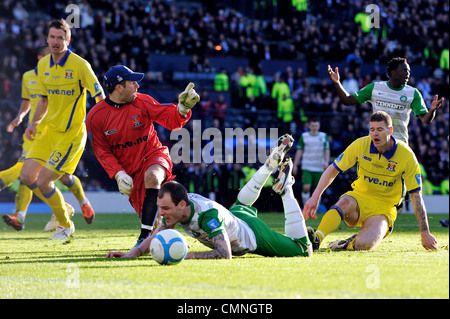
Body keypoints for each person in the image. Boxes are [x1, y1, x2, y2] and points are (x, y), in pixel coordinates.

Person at [106, 134, 313, 259]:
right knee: (240, 203)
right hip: (237, 215)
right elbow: (155, 235)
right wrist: (131, 254)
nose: (161, 213)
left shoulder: (207, 217)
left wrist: (186, 256)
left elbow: (225, 254)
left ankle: (287, 189)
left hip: (254, 235)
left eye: (165, 209)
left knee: (304, 250)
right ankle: (268, 165)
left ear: (181, 205)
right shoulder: (179, 209)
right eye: (161, 208)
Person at [86, 65, 199, 247]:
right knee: (156, 225)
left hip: (154, 155)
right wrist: (118, 174)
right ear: (119, 87)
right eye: (132, 82)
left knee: (152, 176)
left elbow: (171, 120)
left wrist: (182, 109)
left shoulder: (142, 101)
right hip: (131, 173)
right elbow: (101, 150)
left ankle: (143, 237)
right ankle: (156, 236)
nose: (137, 86)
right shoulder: (95, 117)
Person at [303, 111, 438, 252]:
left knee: (363, 245)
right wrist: (315, 196)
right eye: (372, 129)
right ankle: (316, 239)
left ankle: (346, 244)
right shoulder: (361, 145)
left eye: (380, 129)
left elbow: (416, 196)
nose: (375, 134)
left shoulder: (406, 156)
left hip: (384, 209)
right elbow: (333, 169)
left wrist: (425, 233)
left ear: (390, 130)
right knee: (343, 202)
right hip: (358, 199)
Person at [19, 19, 105, 240]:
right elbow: (44, 101)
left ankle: (65, 226)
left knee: (44, 181)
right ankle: (65, 206)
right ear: (47, 39)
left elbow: (99, 97)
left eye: (60, 38)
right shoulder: (43, 65)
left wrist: (102, 125)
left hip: (72, 134)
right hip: (49, 132)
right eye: (52, 37)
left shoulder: (80, 65)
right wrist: (34, 122)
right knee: (27, 176)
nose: (56, 42)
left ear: (68, 40)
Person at [1, 46, 95, 231]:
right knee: (26, 174)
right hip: (35, 134)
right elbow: (27, 101)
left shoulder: (65, 73)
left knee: (65, 178)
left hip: (57, 132)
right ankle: (21, 216)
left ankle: (82, 202)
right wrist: (21, 117)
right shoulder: (29, 77)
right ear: (40, 58)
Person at [327, 57, 444, 145]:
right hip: (376, 143)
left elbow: (426, 120)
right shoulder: (375, 88)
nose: (407, 74)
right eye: (404, 70)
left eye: (408, 71)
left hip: (399, 144)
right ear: (393, 73)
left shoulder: (413, 93)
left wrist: (432, 110)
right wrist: (337, 83)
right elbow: (347, 100)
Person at [292, 118, 330, 212]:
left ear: (319, 126)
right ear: (309, 126)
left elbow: (326, 150)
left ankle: (314, 210)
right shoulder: (304, 136)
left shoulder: (323, 136)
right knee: (306, 187)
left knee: (317, 189)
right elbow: (299, 151)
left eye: (316, 126)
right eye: (312, 126)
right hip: (307, 166)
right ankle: (306, 208)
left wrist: (326, 162)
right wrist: (295, 165)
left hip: (319, 166)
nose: (314, 128)